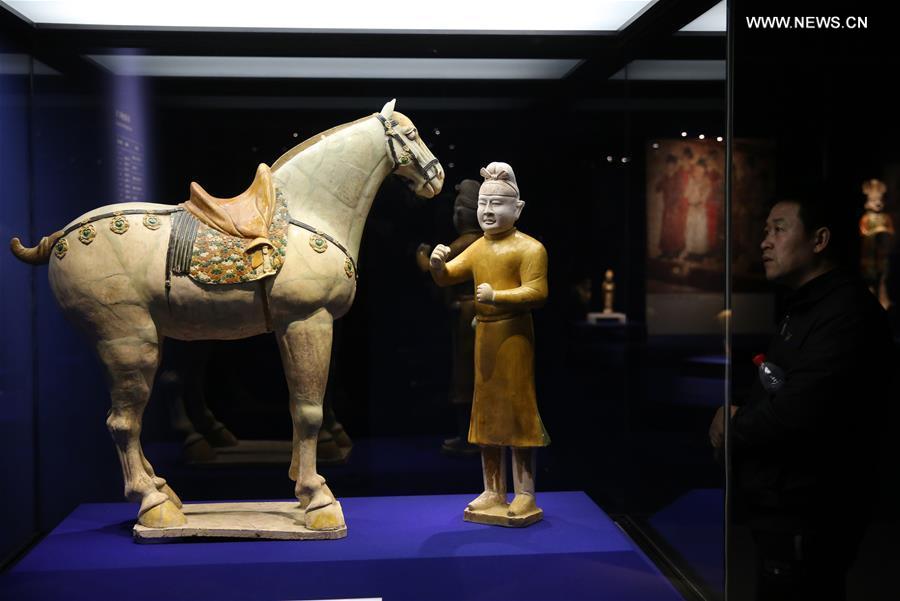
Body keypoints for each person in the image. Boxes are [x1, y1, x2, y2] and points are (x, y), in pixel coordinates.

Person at [709, 196, 893, 600]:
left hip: (809, 509)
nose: (764, 242)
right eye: (764, 231)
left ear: (819, 239)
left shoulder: (845, 314)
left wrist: (734, 423)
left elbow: (800, 409)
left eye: (779, 228)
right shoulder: (809, 307)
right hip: (784, 505)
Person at [429, 161, 550, 524]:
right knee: (486, 414)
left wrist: (498, 296)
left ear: (518, 208)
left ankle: (525, 493)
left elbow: (538, 292)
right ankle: (493, 489)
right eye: (483, 204)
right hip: (485, 335)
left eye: (497, 203)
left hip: (513, 337)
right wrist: (437, 266)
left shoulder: (530, 249)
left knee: (517, 413)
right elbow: (450, 275)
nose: (487, 211)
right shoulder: (480, 247)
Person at [416, 179, 482, 455]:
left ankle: (469, 437)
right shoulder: (480, 242)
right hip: (474, 311)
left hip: (468, 312)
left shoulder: (467, 242)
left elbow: (440, 271)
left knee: (465, 375)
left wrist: (422, 255)